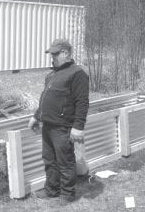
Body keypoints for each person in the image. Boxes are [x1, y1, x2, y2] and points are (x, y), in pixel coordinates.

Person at [28, 39, 89, 202]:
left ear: (66, 53)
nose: (52, 57)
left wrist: (78, 127)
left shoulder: (77, 73)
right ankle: (52, 190)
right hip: (47, 124)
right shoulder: (52, 74)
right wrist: (36, 116)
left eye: (55, 54)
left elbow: (82, 102)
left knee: (65, 161)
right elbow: (45, 98)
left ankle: (67, 195)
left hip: (63, 127)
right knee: (49, 160)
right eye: (51, 54)